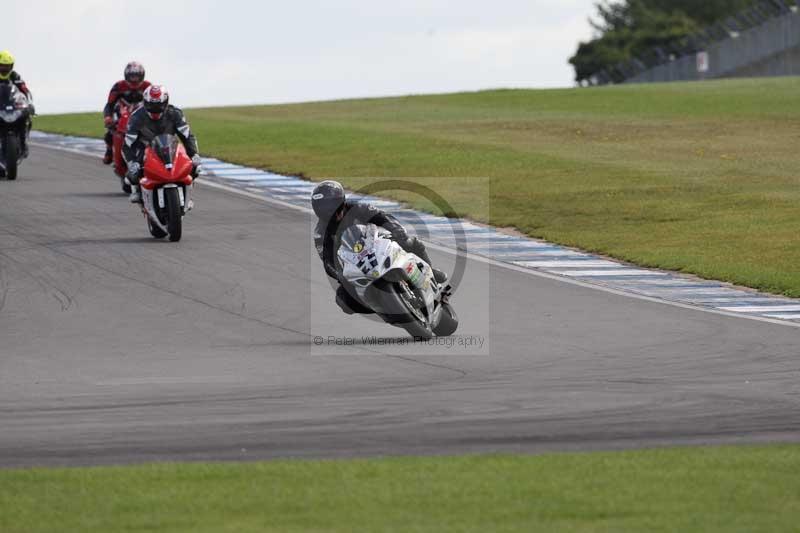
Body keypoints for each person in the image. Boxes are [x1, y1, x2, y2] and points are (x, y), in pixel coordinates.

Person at [312, 180, 448, 315]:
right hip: (354, 264)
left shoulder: (357, 208)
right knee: (343, 299)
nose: (332, 213)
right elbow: (327, 260)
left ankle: (429, 270)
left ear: (341, 202)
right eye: (325, 210)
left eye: (333, 207)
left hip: (376, 244)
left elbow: (381, 217)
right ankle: (379, 307)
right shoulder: (320, 233)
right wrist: (339, 273)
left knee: (411, 242)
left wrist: (396, 230)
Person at [122, 85, 201, 203]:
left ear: (165, 102)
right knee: (132, 176)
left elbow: (187, 136)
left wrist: (194, 154)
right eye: (151, 106)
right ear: (145, 102)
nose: (155, 109)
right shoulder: (136, 117)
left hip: (170, 146)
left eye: (159, 106)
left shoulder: (175, 113)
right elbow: (128, 144)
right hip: (145, 148)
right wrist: (132, 162)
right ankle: (137, 190)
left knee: (195, 167)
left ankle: (188, 192)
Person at [102, 61, 151, 164]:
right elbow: (109, 104)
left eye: (137, 77)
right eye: (132, 76)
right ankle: (109, 151)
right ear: (126, 76)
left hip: (141, 114)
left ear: (142, 76)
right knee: (110, 132)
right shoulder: (118, 86)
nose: (134, 80)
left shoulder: (148, 86)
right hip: (121, 113)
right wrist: (108, 117)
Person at [0, 50, 34, 157]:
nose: (5, 69)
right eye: (2, 66)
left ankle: (23, 143)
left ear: (11, 66)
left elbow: (24, 90)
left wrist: (28, 103)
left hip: (11, 106)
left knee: (26, 116)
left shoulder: (15, 76)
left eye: (7, 66)